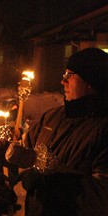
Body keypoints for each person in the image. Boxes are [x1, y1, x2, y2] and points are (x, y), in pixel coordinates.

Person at [6, 47, 108, 215]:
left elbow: (101, 196)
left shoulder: (102, 128)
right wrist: (2, 148)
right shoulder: (53, 117)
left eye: (70, 75)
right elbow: (28, 146)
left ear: (90, 82)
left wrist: (51, 183)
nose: (63, 81)